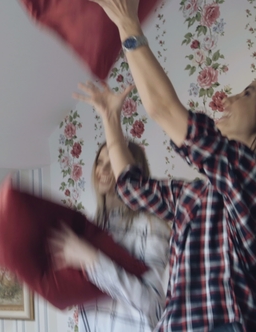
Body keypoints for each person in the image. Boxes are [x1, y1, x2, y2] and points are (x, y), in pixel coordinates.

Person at [72, 1, 256, 330]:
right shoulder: (199, 194)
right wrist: (111, 119)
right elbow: (131, 187)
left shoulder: (249, 174)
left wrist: (126, 22)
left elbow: (166, 112)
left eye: (247, 94)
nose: (227, 98)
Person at [51, 139, 170, 331]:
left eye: (112, 163)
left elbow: (153, 305)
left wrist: (91, 260)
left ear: (134, 171)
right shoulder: (92, 227)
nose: (103, 170)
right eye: (100, 162)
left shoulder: (151, 226)